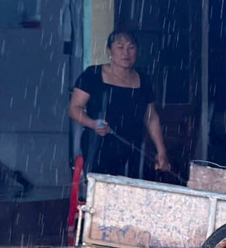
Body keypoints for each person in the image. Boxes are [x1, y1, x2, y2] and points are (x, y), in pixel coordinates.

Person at [67, 29, 170, 179]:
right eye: (120, 47)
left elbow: (151, 117)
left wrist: (161, 151)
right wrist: (92, 123)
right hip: (99, 148)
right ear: (110, 51)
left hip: (133, 148)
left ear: (137, 51)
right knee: (102, 192)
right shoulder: (93, 75)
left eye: (131, 47)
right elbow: (74, 109)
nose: (126, 53)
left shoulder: (144, 79)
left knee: (132, 192)